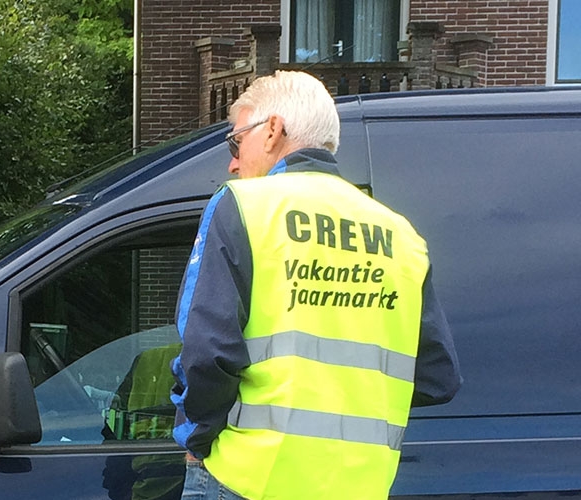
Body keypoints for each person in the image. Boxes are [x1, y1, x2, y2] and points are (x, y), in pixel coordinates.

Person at [169, 70, 461, 500]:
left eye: (236, 141)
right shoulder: (401, 234)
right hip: (359, 487)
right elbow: (437, 378)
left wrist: (195, 440)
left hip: (249, 479)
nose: (233, 161)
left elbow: (207, 352)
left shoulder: (245, 207)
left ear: (273, 130)